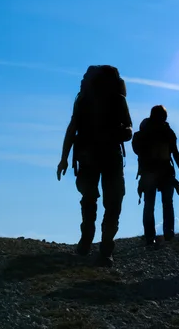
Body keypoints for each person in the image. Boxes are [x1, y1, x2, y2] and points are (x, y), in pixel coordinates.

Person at [57, 65, 133, 267]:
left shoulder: (83, 99)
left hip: (88, 156)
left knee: (89, 199)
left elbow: (72, 129)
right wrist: (120, 134)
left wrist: (64, 158)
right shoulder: (118, 99)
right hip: (109, 156)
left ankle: (87, 241)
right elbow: (129, 129)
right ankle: (105, 249)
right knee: (112, 202)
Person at [132, 105, 179, 247]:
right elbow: (175, 152)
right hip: (165, 171)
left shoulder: (145, 131)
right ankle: (168, 233)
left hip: (149, 171)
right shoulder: (167, 131)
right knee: (167, 203)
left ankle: (150, 236)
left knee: (149, 204)